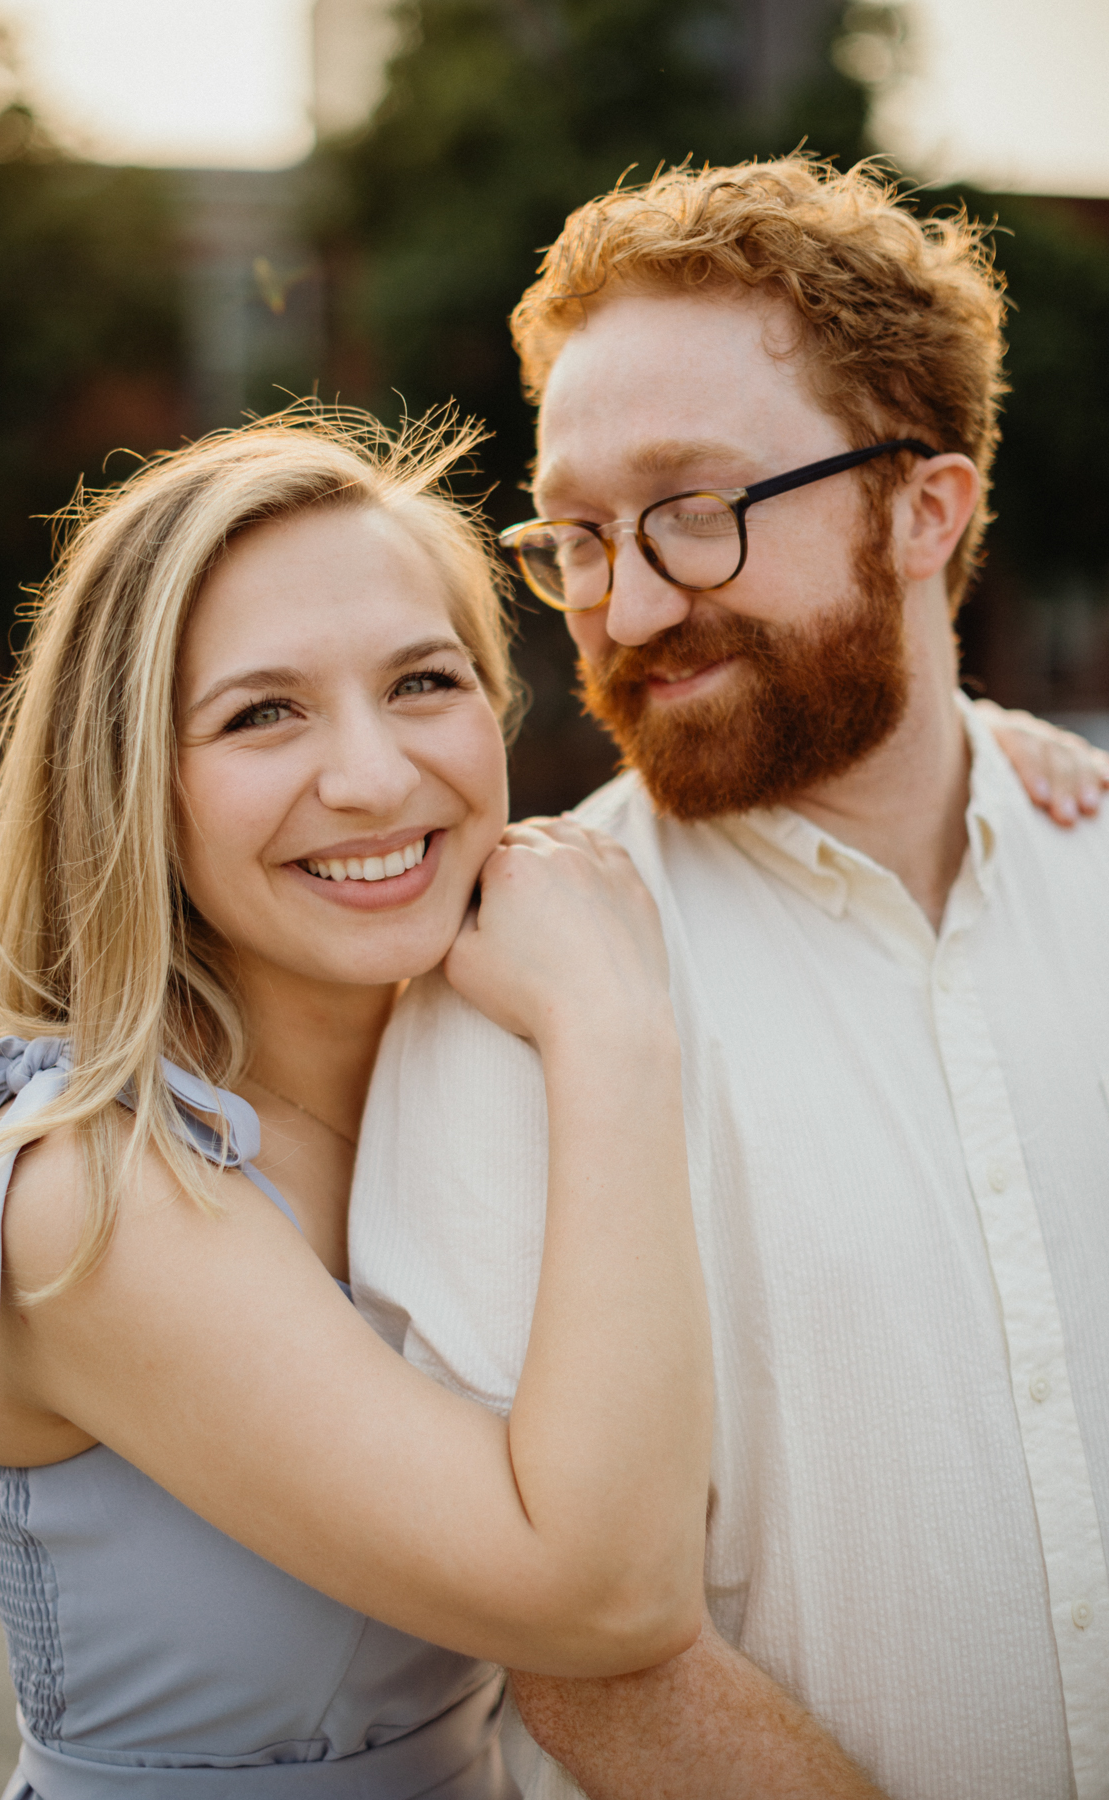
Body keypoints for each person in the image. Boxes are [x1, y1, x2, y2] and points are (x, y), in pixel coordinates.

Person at [349, 159, 1109, 1799]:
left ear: (927, 510)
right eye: (577, 537)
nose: (624, 605)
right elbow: (589, 1671)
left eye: (695, 512)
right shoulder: (503, 987)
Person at [0, 412, 720, 1798]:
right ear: (135, 787)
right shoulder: (84, 1192)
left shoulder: (462, 1046)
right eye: (261, 712)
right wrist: (612, 1034)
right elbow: (608, 1599)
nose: (373, 776)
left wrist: (999, 760)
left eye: (423, 681)